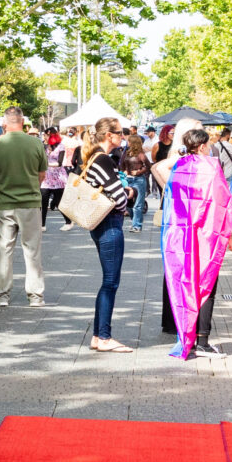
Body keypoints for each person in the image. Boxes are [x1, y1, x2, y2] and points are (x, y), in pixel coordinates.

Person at [161, 126, 232, 359]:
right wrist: (229, 235)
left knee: (186, 285)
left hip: (181, 235)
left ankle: (188, 337)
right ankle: (202, 341)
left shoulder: (179, 166)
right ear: (203, 145)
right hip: (206, 235)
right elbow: (221, 203)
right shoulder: (211, 167)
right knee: (206, 285)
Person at [78, 120, 138, 351]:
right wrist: (128, 195)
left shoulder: (94, 157)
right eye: (120, 132)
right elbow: (117, 195)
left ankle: (98, 336)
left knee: (108, 281)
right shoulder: (103, 159)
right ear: (109, 136)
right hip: (109, 224)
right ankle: (103, 337)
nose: (123, 136)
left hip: (101, 224)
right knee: (110, 282)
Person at [0, 108, 47, 305]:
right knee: (32, 251)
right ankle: (35, 296)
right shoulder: (36, 143)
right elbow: (41, 175)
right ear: (22, 122)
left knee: (4, 250)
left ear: (5, 123)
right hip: (30, 202)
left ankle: (2, 295)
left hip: (5, 203)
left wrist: (5, 185)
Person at [121, 131, 154, 232]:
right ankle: (134, 222)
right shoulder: (126, 152)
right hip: (128, 179)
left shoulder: (141, 154)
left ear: (133, 143)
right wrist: (124, 171)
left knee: (138, 204)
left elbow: (149, 166)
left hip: (138, 180)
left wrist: (139, 171)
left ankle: (137, 225)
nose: (127, 143)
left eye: (129, 141)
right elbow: (121, 164)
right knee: (128, 203)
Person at [41, 139, 67, 224]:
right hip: (46, 177)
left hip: (57, 177)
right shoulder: (43, 146)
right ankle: (42, 224)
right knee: (43, 201)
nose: (44, 137)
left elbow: (59, 162)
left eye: (46, 135)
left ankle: (68, 221)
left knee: (58, 201)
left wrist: (47, 164)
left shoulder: (60, 146)